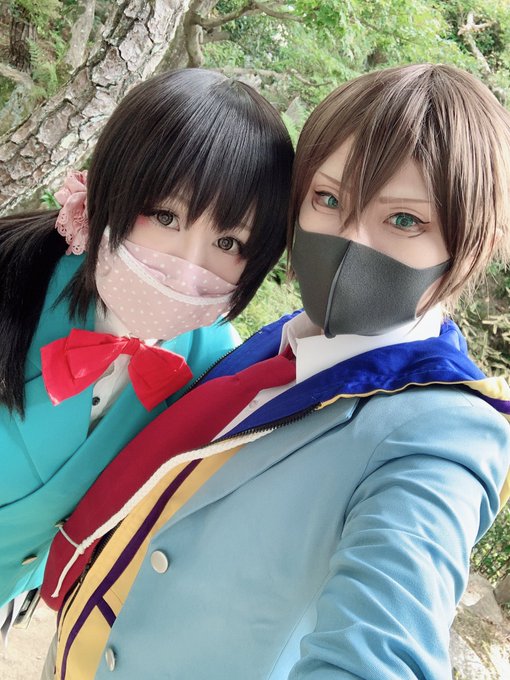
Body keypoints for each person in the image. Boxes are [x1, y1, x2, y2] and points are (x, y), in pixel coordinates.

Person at [42, 63, 510, 680]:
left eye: (404, 220)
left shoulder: (440, 435)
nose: (349, 240)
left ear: (470, 245)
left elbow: (382, 648)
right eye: (328, 199)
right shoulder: (289, 340)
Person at [0, 67, 294, 632]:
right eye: (165, 216)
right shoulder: (15, 271)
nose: (187, 265)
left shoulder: (215, 369)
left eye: (229, 241)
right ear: (114, 189)